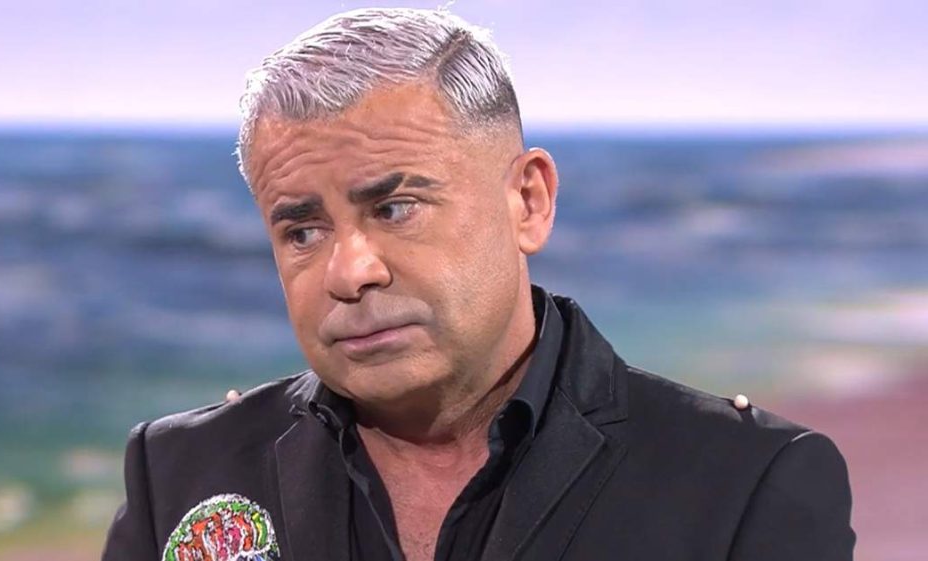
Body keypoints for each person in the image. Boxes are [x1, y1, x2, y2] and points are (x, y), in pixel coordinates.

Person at [102, 8, 855, 561]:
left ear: (528, 200)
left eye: (395, 207)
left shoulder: (745, 483)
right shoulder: (179, 472)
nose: (350, 271)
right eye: (302, 230)